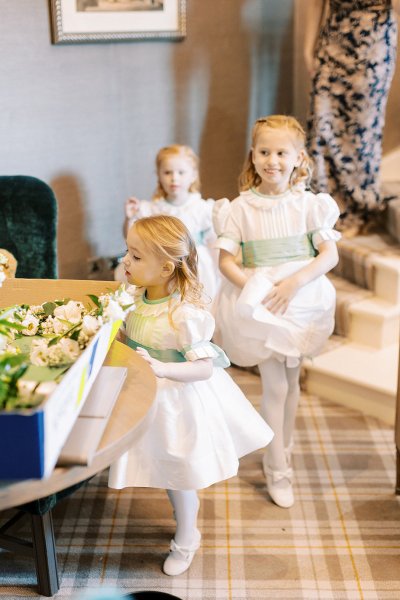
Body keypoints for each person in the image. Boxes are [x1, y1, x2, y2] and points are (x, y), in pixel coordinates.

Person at [108, 215, 273, 576]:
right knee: (158, 465)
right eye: (127, 253)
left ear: (166, 267)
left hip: (174, 401)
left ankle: (187, 537)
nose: (125, 262)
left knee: (178, 473)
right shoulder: (133, 296)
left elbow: (203, 368)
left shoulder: (184, 313)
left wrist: (162, 369)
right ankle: (185, 525)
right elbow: (129, 339)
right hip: (140, 391)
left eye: (135, 257)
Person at [213, 115, 340, 508]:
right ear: (253, 155)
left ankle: (282, 445)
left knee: (293, 381)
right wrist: (257, 289)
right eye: (264, 151)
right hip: (262, 306)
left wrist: (294, 283)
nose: (273, 161)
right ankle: (276, 468)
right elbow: (226, 261)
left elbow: (329, 253)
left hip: (300, 301)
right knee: (277, 385)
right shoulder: (240, 208)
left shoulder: (309, 205)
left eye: (281, 152)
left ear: (297, 157)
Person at [304, 0, 399, 235]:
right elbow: (316, 3)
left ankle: (359, 209)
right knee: (321, 125)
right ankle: (326, 208)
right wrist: (308, 47)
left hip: (373, 44)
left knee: (361, 130)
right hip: (333, 39)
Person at [115, 144, 219, 308]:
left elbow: (213, 243)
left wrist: (217, 270)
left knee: (188, 306)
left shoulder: (203, 208)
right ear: (158, 176)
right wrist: (128, 219)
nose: (174, 178)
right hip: (158, 267)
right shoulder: (150, 208)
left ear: (193, 175)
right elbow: (132, 241)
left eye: (181, 172)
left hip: (193, 267)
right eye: (167, 172)